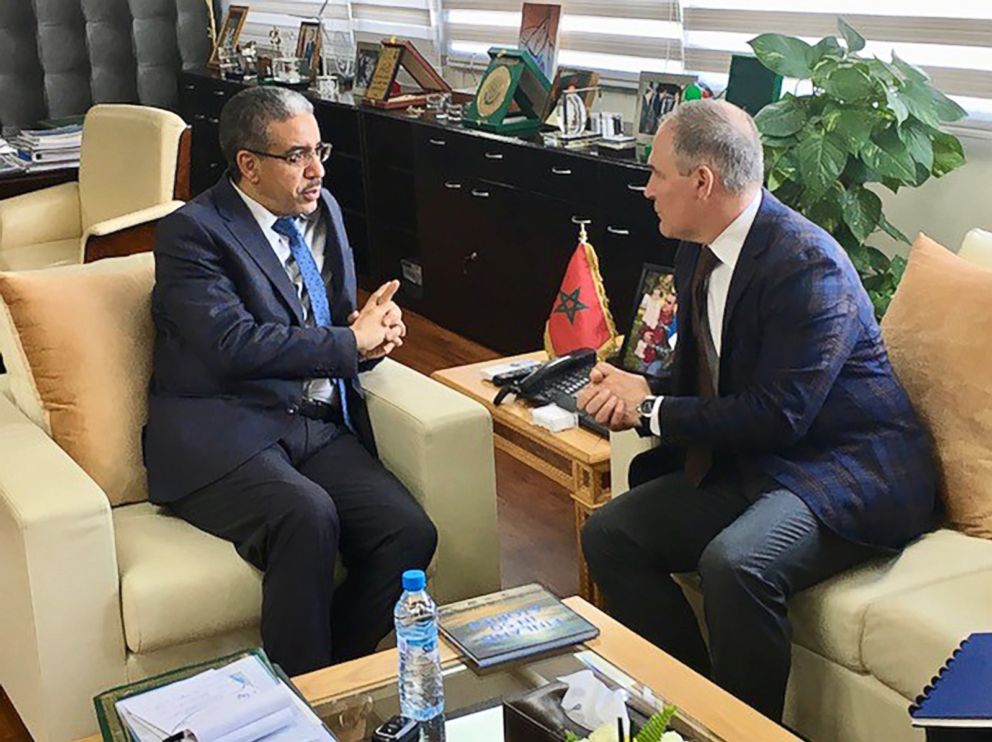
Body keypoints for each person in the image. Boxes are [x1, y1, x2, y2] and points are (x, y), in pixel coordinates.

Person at [577, 100, 936, 721]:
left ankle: (743, 731)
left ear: (702, 181)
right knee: (609, 534)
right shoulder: (696, 246)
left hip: (843, 469)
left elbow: (778, 415)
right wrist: (631, 386)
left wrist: (651, 410)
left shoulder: (807, 264)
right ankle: (691, 711)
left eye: (657, 174)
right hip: (760, 463)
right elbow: (704, 369)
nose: (647, 188)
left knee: (735, 564)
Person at [144, 86, 437, 676]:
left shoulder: (320, 209)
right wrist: (347, 343)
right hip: (225, 429)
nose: (317, 170)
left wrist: (371, 335)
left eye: (320, 149)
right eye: (298, 156)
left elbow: (330, 325)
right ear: (248, 164)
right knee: (307, 515)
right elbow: (231, 346)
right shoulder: (192, 233)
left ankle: (329, 680)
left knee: (407, 532)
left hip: (312, 424)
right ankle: (304, 712)